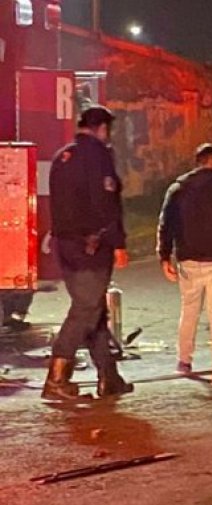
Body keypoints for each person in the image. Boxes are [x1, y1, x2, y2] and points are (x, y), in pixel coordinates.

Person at [42, 105, 132, 401]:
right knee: (86, 309)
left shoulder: (62, 156)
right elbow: (106, 204)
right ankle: (56, 378)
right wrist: (118, 243)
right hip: (92, 247)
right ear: (103, 128)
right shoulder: (98, 155)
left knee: (95, 310)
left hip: (66, 245)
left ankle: (109, 377)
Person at [157, 143, 212, 387]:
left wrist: (164, 257)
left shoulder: (178, 189)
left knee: (189, 311)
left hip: (189, 261)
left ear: (198, 162)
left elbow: (166, 226)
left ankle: (184, 362)